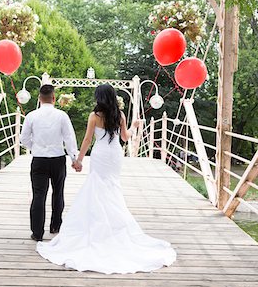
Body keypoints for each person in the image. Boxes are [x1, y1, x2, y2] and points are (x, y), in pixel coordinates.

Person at [36, 84, 176, 274]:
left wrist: (78, 160)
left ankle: (98, 227)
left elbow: (87, 140)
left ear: (99, 98)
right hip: (115, 155)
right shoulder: (120, 115)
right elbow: (125, 138)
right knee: (112, 188)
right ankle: (115, 226)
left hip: (101, 154)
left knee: (97, 187)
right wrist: (135, 127)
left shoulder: (95, 116)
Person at [20, 84, 81, 242]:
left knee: (38, 195)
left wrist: (35, 147)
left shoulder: (31, 116)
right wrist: (74, 159)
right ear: (54, 98)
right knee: (58, 192)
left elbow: (23, 139)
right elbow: (69, 138)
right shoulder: (61, 116)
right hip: (58, 158)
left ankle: (37, 232)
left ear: (39, 98)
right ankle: (55, 226)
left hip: (39, 159)